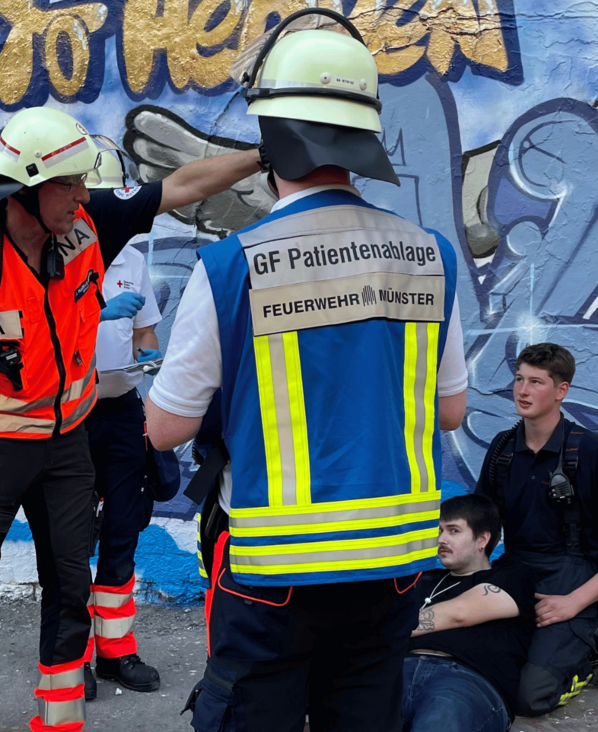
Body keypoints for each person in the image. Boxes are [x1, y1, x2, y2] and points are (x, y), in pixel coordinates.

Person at [143, 8, 468, 732]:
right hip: (396, 563)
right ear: (361, 140)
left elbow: (164, 430)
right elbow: (450, 412)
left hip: (275, 571)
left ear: (271, 138)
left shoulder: (232, 265)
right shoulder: (430, 254)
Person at [0, 107, 264, 732]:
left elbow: (181, 185)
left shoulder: (88, 224)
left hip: (69, 443)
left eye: (82, 183)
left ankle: (59, 721)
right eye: (69, 183)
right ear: (26, 186)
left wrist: (265, 155)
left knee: (71, 586)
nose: (82, 193)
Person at [81, 144, 165, 700]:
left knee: (121, 533)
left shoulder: (132, 260)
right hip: (71, 414)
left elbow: (146, 336)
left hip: (121, 410)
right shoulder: (59, 258)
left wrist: (151, 365)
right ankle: (72, 654)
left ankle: (116, 650)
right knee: (68, 541)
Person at [475, 342, 598, 715]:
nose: (522, 391)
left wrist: (573, 603)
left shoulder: (588, 450)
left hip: (574, 580)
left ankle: (588, 656)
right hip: (517, 573)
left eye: (536, 382)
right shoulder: (502, 448)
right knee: (469, 665)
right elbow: (481, 525)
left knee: (531, 696)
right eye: (518, 379)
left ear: (561, 391)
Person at [403, 495, 536, 732]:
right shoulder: (421, 579)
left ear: (482, 539)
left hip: (466, 679)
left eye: (453, 531)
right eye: (439, 530)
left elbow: (459, 613)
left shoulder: (512, 577)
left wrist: (390, 628)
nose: (441, 539)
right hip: (398, 671)